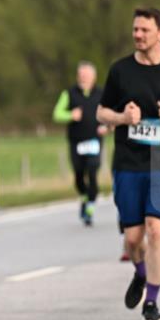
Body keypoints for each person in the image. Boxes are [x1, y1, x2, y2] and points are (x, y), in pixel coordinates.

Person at [96, 7, 160, 320]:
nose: (138, 35)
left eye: (144, 30)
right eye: (135, 30)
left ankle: (151, 302)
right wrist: (122, 118)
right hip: (129, 160)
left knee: (157, 230)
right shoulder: (120, 71)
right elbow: (101, 113)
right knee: (133, 238)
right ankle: (141, 273)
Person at [53, 61, 107, 227]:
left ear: (94, 77)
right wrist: (70, 114)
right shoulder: (69, 93)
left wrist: (107, 126)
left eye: (87, 75)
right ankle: (84, 197)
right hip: (76, 141)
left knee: (92, 170)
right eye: (81, 75)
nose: (83, 78)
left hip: (94, 141)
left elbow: (112, 112)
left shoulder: (102, 93)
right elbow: (57, 114)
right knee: (78, 175)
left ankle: (90, 206)